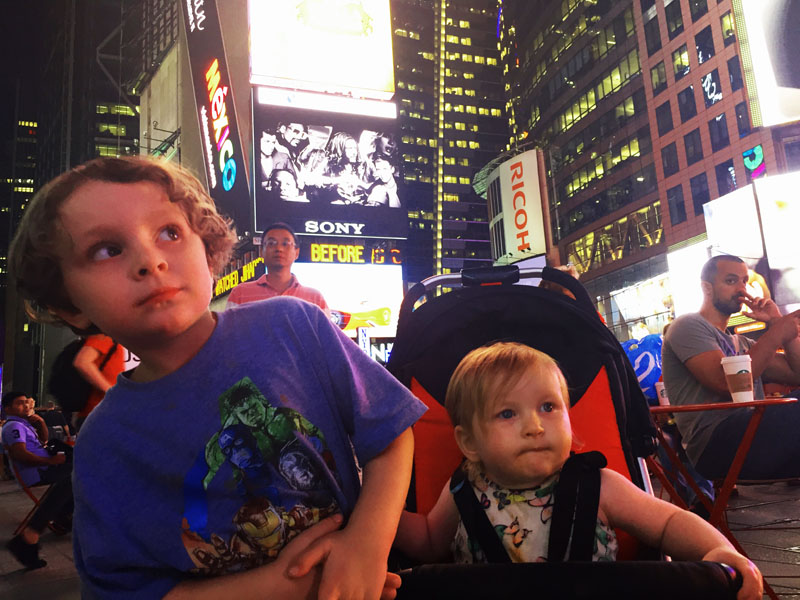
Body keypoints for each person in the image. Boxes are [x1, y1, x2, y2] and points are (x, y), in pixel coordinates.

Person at [9, 155, 425, 598]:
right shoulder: (103, 443)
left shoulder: (294, 324)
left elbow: (391, 435)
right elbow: (127, 591)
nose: (150, 261)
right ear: (67, 303)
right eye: (107, 249)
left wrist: (366, 545)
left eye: (169, 233)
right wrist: (292, 585)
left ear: (208, 252)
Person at [394, 342, 762, 600]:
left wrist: (718, 549)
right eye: (507, 413)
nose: (535, 426)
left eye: (549, 407)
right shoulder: (464, 489)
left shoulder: (598, 485)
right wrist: (372, 510)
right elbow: (428, 541)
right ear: (469, 442)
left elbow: (669, 524)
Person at [662, 254, 800, 480]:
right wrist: (776, 333)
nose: (742, 288)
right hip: (715, 444)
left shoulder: (744, 343)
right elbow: (724, 383)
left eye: (744, 281)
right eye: (731, 281)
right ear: (707, 288)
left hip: (752, 435)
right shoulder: (687, 326)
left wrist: (776, 321)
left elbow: (797, 373)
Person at [2, 391, 74, 569]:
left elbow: (43, 441)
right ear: (8, 409)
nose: (26, 406)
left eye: (27, 402)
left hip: (43, 468)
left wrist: (41, 421)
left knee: (77, 473)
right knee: (77, 475)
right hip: (36, 472)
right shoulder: (13, 427)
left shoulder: (23, 424)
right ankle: (61, 517)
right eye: (20, 403)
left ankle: (62, 517)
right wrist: (50, 460)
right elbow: (20, 454)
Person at [227, 222, 329, 313]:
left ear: (296, 252)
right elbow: (229, 333)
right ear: (261, 251)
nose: (279, 249)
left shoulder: (315, 299)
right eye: (271, 243)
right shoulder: (240, 294)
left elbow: (326, 334)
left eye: (285, 244)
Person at [72, 333, 126, 432]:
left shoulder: (108, 338)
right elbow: (82, 363)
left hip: (100, 412)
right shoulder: (104, 337)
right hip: (101, 414)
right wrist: (112, 392)